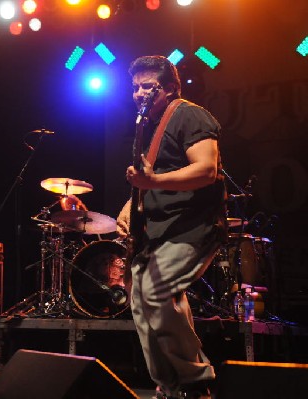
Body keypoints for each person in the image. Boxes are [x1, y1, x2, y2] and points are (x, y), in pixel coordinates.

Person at [116, 56, 227, 399]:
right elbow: (148, 180)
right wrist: (129, 206)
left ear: (170, 88)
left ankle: (194, 382)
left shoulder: (189, 115)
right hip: (159, 229)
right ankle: (168, 385)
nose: (138, 94)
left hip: (193, 225)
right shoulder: (149, 126)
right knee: (140, 301)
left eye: (147, 87)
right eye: (134, 87)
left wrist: (152, 182)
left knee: (156, 290)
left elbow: (206, 169)